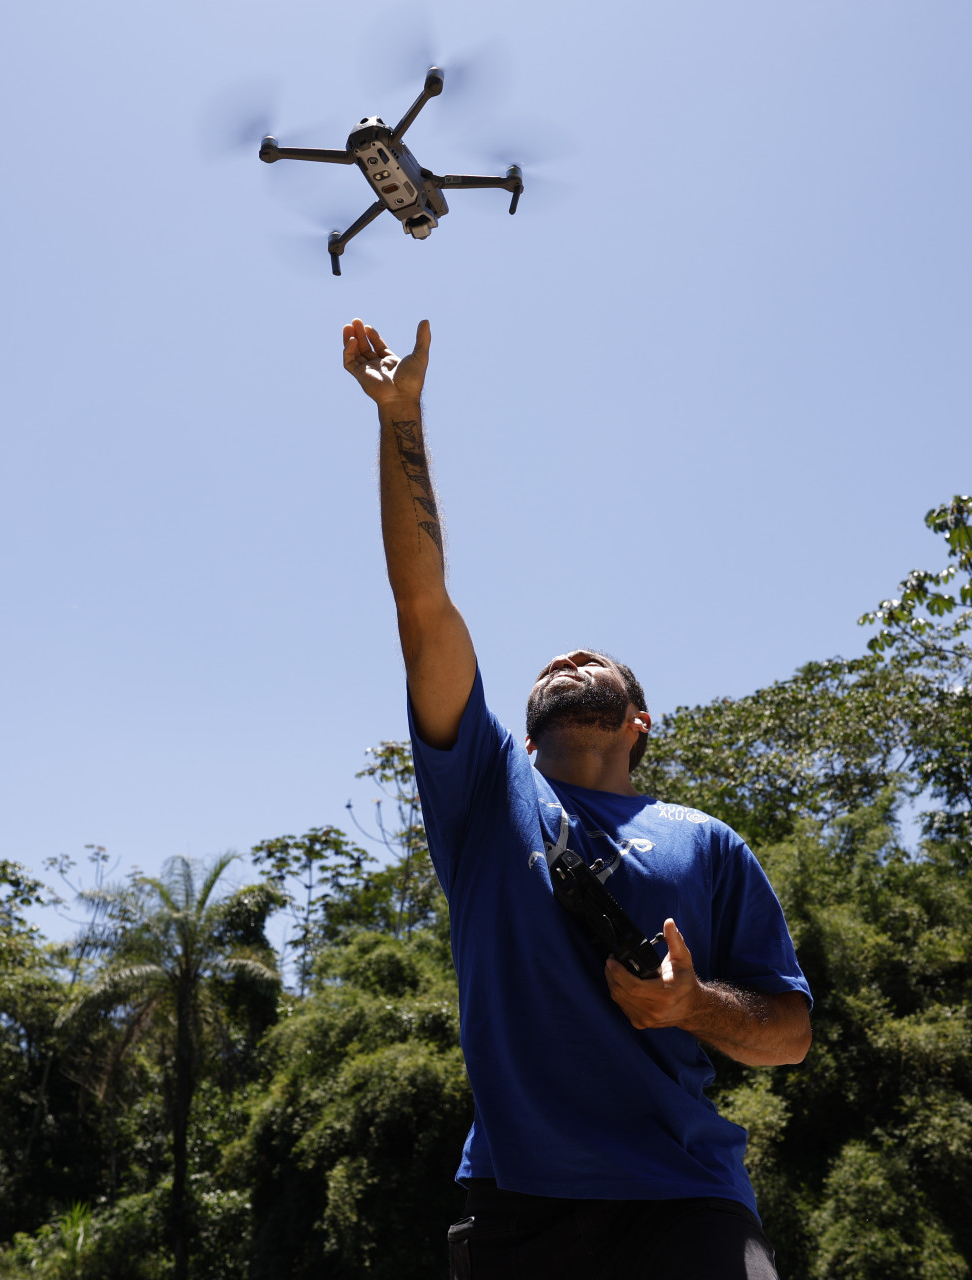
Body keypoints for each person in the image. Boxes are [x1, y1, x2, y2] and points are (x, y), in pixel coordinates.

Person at [341, 317, 814, 1280]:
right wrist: (401, 416)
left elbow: (789, 1036)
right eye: (553, 665)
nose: (570, 658)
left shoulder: (710, 844)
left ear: (640, 720)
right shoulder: (484, 791)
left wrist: (691, 1005)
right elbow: (422, 606)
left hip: (689, 1200)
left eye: (598, 662)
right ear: (519, 737)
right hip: (521, 1204)